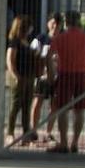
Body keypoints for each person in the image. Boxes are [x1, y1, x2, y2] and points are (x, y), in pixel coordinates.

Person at [48, 10, 85, 154]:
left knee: (62, 110)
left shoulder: (59, 38)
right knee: (79, 110)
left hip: (65, 74)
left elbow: (48, 57)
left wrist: (51, 74)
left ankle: (63, 142)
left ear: (66, 22)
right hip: (82, 75)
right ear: (79, 21)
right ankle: (75, 142)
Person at [29, 12, 63, 143]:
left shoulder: (62, 40)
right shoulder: (41, 38)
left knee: (54, 105)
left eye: (58, 23)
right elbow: (32, 53)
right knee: (37, 103)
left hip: (58, 77)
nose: (55, 25)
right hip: (42, 77)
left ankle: (48, 132)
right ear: (48, 23)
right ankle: (33, 130)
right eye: (53, 22)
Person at [5, 15, 38, 144]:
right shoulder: (14, 41)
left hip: (29, 76)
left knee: (27, 105)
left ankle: (26, 134)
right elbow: (10, 59)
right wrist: (15, 75)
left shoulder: (27, 41)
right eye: (29, 26)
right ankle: (10, 132)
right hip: (18, 76)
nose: (31, 29)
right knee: (15, 104)